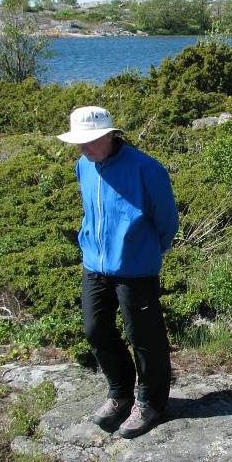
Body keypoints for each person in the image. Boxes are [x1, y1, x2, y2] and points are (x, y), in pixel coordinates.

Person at [57, 106, 179, 439]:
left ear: (110, 135)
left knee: (144, 337)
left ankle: (151, 402)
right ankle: (119, 392)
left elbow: (167, 220)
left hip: (136, 268)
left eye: (89, 141)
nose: (83, 148)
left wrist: (151, 250)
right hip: (94, 264)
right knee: (95, 329)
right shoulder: (84, 165)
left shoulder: (146, 169)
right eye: (79, 142)